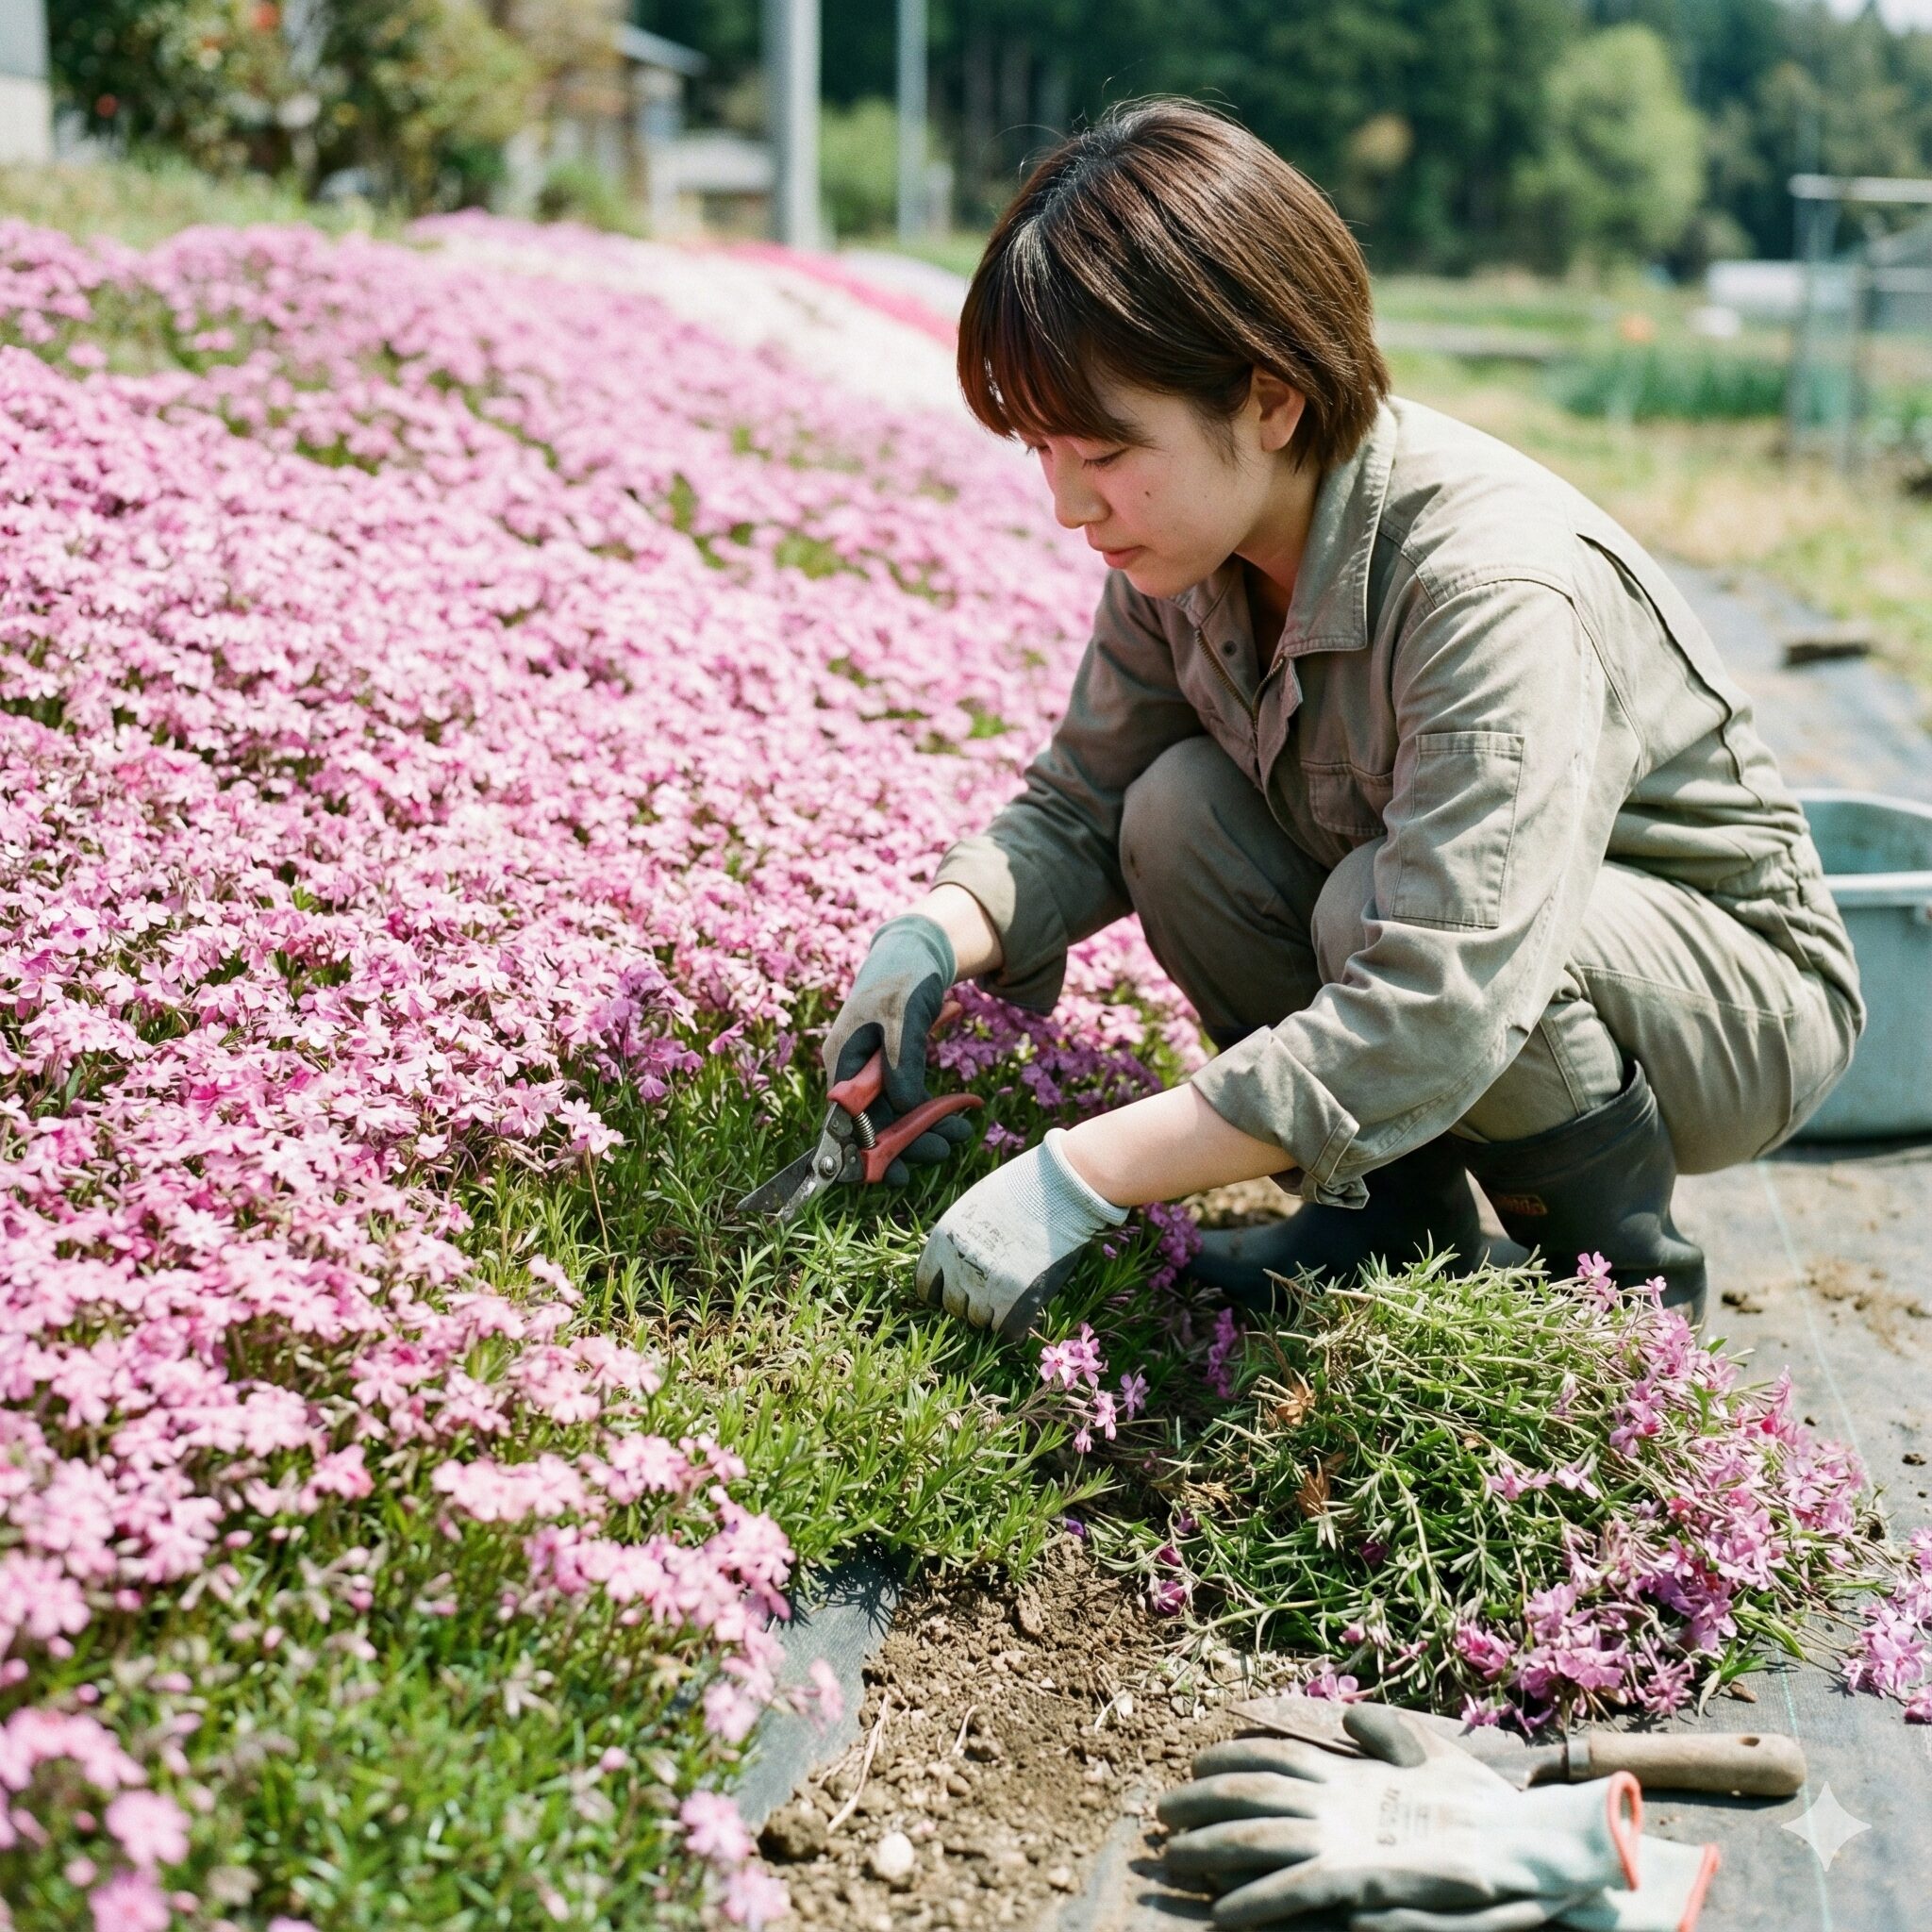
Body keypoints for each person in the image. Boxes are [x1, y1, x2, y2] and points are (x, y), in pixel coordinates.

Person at [821, 99, 1862, 1341]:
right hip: (1465, 928)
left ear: (1269, 400)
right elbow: (1085, 801)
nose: (1067, 505)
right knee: (1175, 813)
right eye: (1039, 449)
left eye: (1101, 452)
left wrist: (1081, 1173)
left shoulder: (1486, 586)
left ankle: (1617, 1293)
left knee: (1378, 908)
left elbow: (1446, 985)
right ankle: (1383, 1221)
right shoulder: (1186, 550)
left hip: (1732, 996)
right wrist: (930, 939)